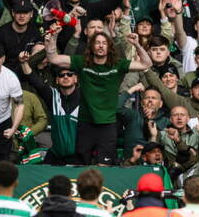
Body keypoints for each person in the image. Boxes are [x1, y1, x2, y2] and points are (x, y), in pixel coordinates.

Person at [46, 29, 151, 164]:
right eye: (97, 43)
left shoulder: (118, 64)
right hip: (85, 123)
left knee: (104, 165)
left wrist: (136, 44)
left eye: (104, 43)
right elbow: (53, 58)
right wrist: (54, 37)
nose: (101, 46)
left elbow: (146, 64)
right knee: (82, 165)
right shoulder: (82, 62)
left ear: (109, 47)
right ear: (91, 46)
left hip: (108, 124)